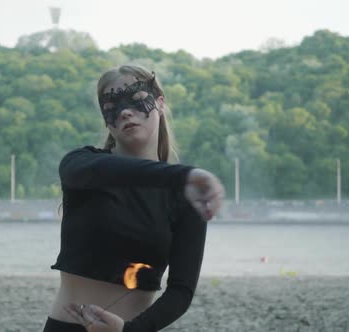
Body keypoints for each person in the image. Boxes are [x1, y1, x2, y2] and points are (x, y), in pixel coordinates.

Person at [43, 64, 225, 331]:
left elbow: (181, 291)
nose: (125, 111)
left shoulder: (185, 193)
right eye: (111, 106)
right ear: (106, 120)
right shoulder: (82, 166)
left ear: (160, 103)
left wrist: (128, 331)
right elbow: (115, 172)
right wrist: (183, 176)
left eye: (137, 100)